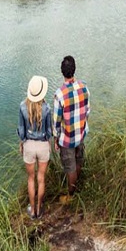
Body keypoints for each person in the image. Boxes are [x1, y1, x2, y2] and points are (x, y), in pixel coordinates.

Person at [52, 55, 89, 204]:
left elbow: (56, 121)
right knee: (78, 160)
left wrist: (56, 138)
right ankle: (77, 187)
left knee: (70, 168)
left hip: (67, 138)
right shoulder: (84, 87)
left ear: (62, 72)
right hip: (81, 133)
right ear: (74, 70)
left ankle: (71, 196)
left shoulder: (59, 94)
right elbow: (87, 110)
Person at [18, 75, 52, 219]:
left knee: (31, 179)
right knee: (41, 179)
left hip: (29, 146)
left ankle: (33, 211)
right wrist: (48, 142)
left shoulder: (22, 107)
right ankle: (39, 208)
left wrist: (22, 142)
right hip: (43, 145)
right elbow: (49, 131)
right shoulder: (47, 108)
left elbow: (21, 130)